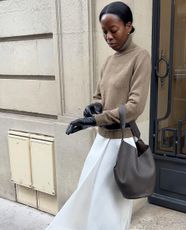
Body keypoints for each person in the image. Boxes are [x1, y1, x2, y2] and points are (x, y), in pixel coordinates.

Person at [46, 1, 151, 229]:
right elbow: (99, 95)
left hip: (121, 144)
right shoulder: (108, 61)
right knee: (88, 196)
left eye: (113, 30)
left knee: (110, 207)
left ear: (129, 26)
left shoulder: (140, 57)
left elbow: (135, 106)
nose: (108, 37)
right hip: (101, 141)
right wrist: (94, 106)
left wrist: (94, 119)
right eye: (104, 32)